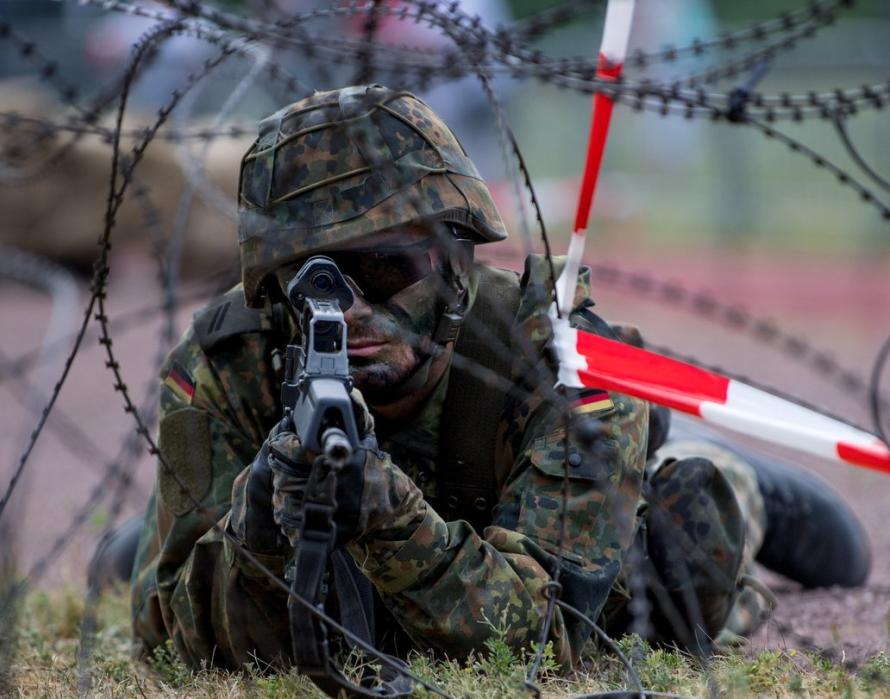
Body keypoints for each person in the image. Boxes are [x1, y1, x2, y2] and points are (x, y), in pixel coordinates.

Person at [93, 85, 869, 676]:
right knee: (133, 558)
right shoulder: (229, 361)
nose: (353, 310)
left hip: (553, 487)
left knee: (701, 532)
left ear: (458, 262)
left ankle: (711, 463)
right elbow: (165, 634)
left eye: (386, 266)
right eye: (317, 282)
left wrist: (389, 513)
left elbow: (549, 639)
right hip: (418, 536)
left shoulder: (557, 358)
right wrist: (261, 519)